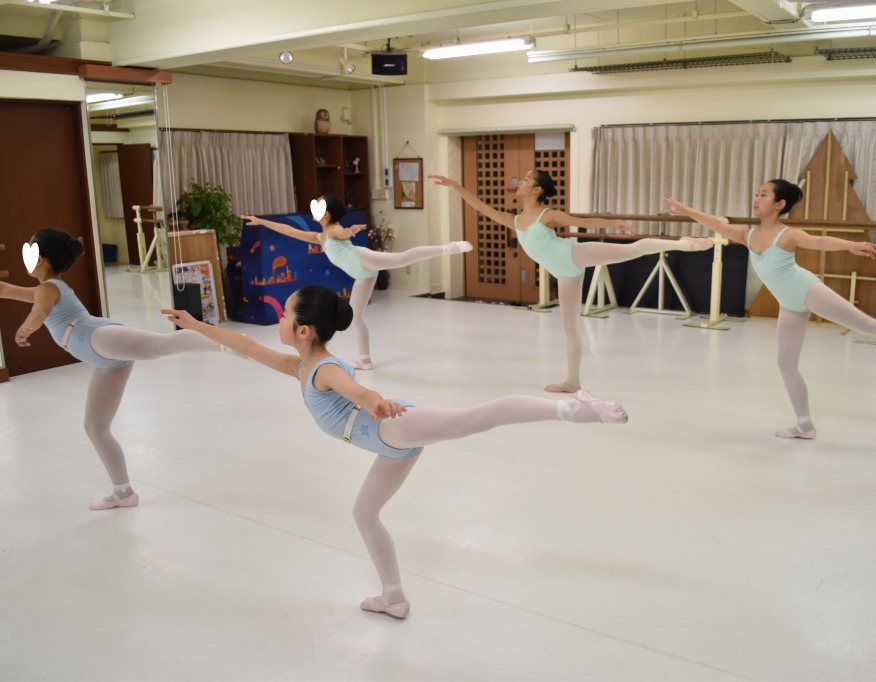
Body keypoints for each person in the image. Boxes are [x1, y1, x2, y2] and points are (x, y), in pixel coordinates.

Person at [163, 285, 627, 619]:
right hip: (389, 445)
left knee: (476, 418)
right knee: (364, 514)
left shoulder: (323, 368)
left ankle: (575, 409)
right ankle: (393, 597)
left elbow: (355, 389)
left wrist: (375, 400)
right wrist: (197, 325)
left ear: (303, 330)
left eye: (284, 315)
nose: (279, 320)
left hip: (392, 427)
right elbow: (245, 345)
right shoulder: (300, 365)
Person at [664, 180, 876, 440]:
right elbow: (716, 224)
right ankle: (805, 426)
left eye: (764, 194)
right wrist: (686, 209)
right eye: (757, 193)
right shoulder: (747, 234)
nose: (757, 198)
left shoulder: (787, 234)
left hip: (807, 290)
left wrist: (850, 245)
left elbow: (818, 241)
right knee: (786, 364)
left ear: (779, 204)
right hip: (789, 304)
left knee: (866, 324)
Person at [1, 228, 230, 509]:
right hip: (104, 362)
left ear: (39, 259)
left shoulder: (49, 289)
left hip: (98, 338)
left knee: (161, 345)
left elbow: (40, 312)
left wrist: (26, 328)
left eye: (30, 249)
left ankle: (234, 344)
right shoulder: (42, 290)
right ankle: (123, 492)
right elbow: (5, 290)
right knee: (95, 428)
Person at [430, 170, 714, 393]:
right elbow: (480, 206)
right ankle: (572, 382)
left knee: (631, 250)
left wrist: (612, 224)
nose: (521, 182)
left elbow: (581, 221)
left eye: (527, 179)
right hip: (564, 273)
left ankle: (686, 244)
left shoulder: (547, 215)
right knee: (570, 328)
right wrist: (454, 185)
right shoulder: (515, 220)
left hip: (574, 255)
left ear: (537, 189)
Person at [242, 194, 472, 370]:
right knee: (356, 317)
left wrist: (350, 230)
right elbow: (289, 230)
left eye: (319, 206)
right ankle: (365, 360)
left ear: (327, 214)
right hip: (362, 275)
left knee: (401, 258)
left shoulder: (333, 231)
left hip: (364, 259)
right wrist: (262, 222)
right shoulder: (320, 237)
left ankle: (448, 248)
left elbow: (342, 232)